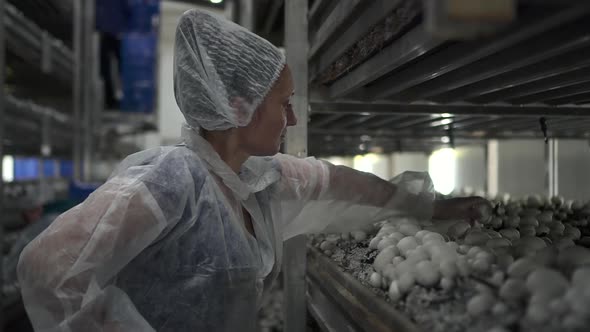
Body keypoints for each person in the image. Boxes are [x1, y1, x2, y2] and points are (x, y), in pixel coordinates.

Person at [17, 9, 491, 332]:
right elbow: (48, 269)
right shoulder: (172, 178)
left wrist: (433, 205)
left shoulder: (255, 180)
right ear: (239, 106)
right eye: (284, 104)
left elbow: (341, 183)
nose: (293, 120)